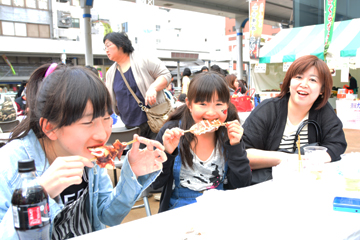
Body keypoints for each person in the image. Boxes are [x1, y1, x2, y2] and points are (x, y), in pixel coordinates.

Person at [0, 63, 167, 239]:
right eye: (88, 122)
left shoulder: (89, 156)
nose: (102, 134)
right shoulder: (9, 165)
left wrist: (132, 174)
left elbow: (109, 215)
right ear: (50, 127)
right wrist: (39, 196)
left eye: (106, 118)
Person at [152, 72, 252, 212]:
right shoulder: (172, 132)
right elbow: (154, 184)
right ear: (189, 104)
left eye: (219, 104)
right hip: (180, 207)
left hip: (220, 205)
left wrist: (235, 147)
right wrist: (168, 153)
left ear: (227, 106)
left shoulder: (228, 134)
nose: (211, 113)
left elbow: (242, 183)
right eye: (203, 104)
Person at [242, 55, 347, 184]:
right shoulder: (268, 109)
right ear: (289, 82)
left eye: (313, 80)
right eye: (298, 77)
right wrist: (291, 159)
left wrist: (309, 161)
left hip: (307, 184)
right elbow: (244, 152)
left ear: (322, 90)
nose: (304, 84)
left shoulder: (323, 111)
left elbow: (337, 144)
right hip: (266, 185)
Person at [103, 32, 171, 140]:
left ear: (121, 44)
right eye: (104, 47)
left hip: (154, 120)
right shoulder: (110, 72)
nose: (106, 50)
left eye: (108, 45)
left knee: (159, 153)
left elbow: (165, 75)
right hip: (130, 126)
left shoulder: (144, 59)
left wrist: (153, 88)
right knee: (138, 154)